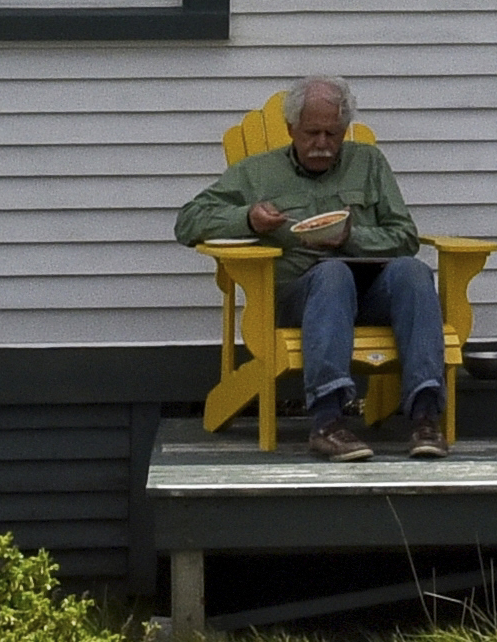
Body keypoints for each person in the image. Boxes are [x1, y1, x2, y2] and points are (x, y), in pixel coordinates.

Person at [179, 77, 446, 458]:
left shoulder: (368, 163)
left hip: (369, 292)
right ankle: (327, 422)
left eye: (332, 134)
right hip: (297, 299)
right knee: (332, 273)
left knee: (414, 271)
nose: (322, 144)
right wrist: (249, 220)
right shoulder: (257, 173)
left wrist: (352, 237)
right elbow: (188, 221)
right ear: (290, 129)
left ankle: (424, 418)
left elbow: (406, 237)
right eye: (312, 133)